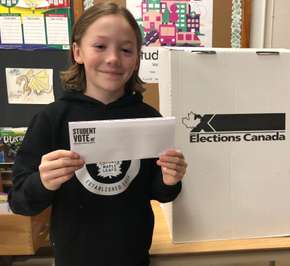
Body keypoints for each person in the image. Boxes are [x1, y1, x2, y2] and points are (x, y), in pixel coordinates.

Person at [8, 2, 187, 266]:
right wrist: (44, 181)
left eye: (126, 49)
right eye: (100, 46)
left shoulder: (148, 118)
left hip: (134, 257)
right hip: (73, 258)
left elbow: (160, 193)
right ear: (77, 51)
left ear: (137, 58)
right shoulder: (51, 119)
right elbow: (20, 202)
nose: (113, 58)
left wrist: (170, 180)